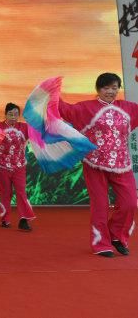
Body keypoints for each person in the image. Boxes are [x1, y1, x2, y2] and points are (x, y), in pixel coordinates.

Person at [58, 73, 138, 257]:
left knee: (130, 203)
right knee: (100, 205)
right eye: (106, 88)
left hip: (122, 164)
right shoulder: (87, 107)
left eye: (114, 87)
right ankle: (101, 243)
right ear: (98, 89)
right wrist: (51, 94)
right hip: (95, 163)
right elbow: (64, 110)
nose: (111, 91)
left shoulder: (128, 108)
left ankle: (116, 236)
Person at [0, 103, 35, 231]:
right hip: (1, 166)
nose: (13, 117)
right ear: (5, 114)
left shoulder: (24, 127)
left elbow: (38, 133)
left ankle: (24, 219)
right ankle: (5, 219)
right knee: (5, 194)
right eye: (10, 114)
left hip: (19, 166)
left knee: (21, 192)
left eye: (16, 114)